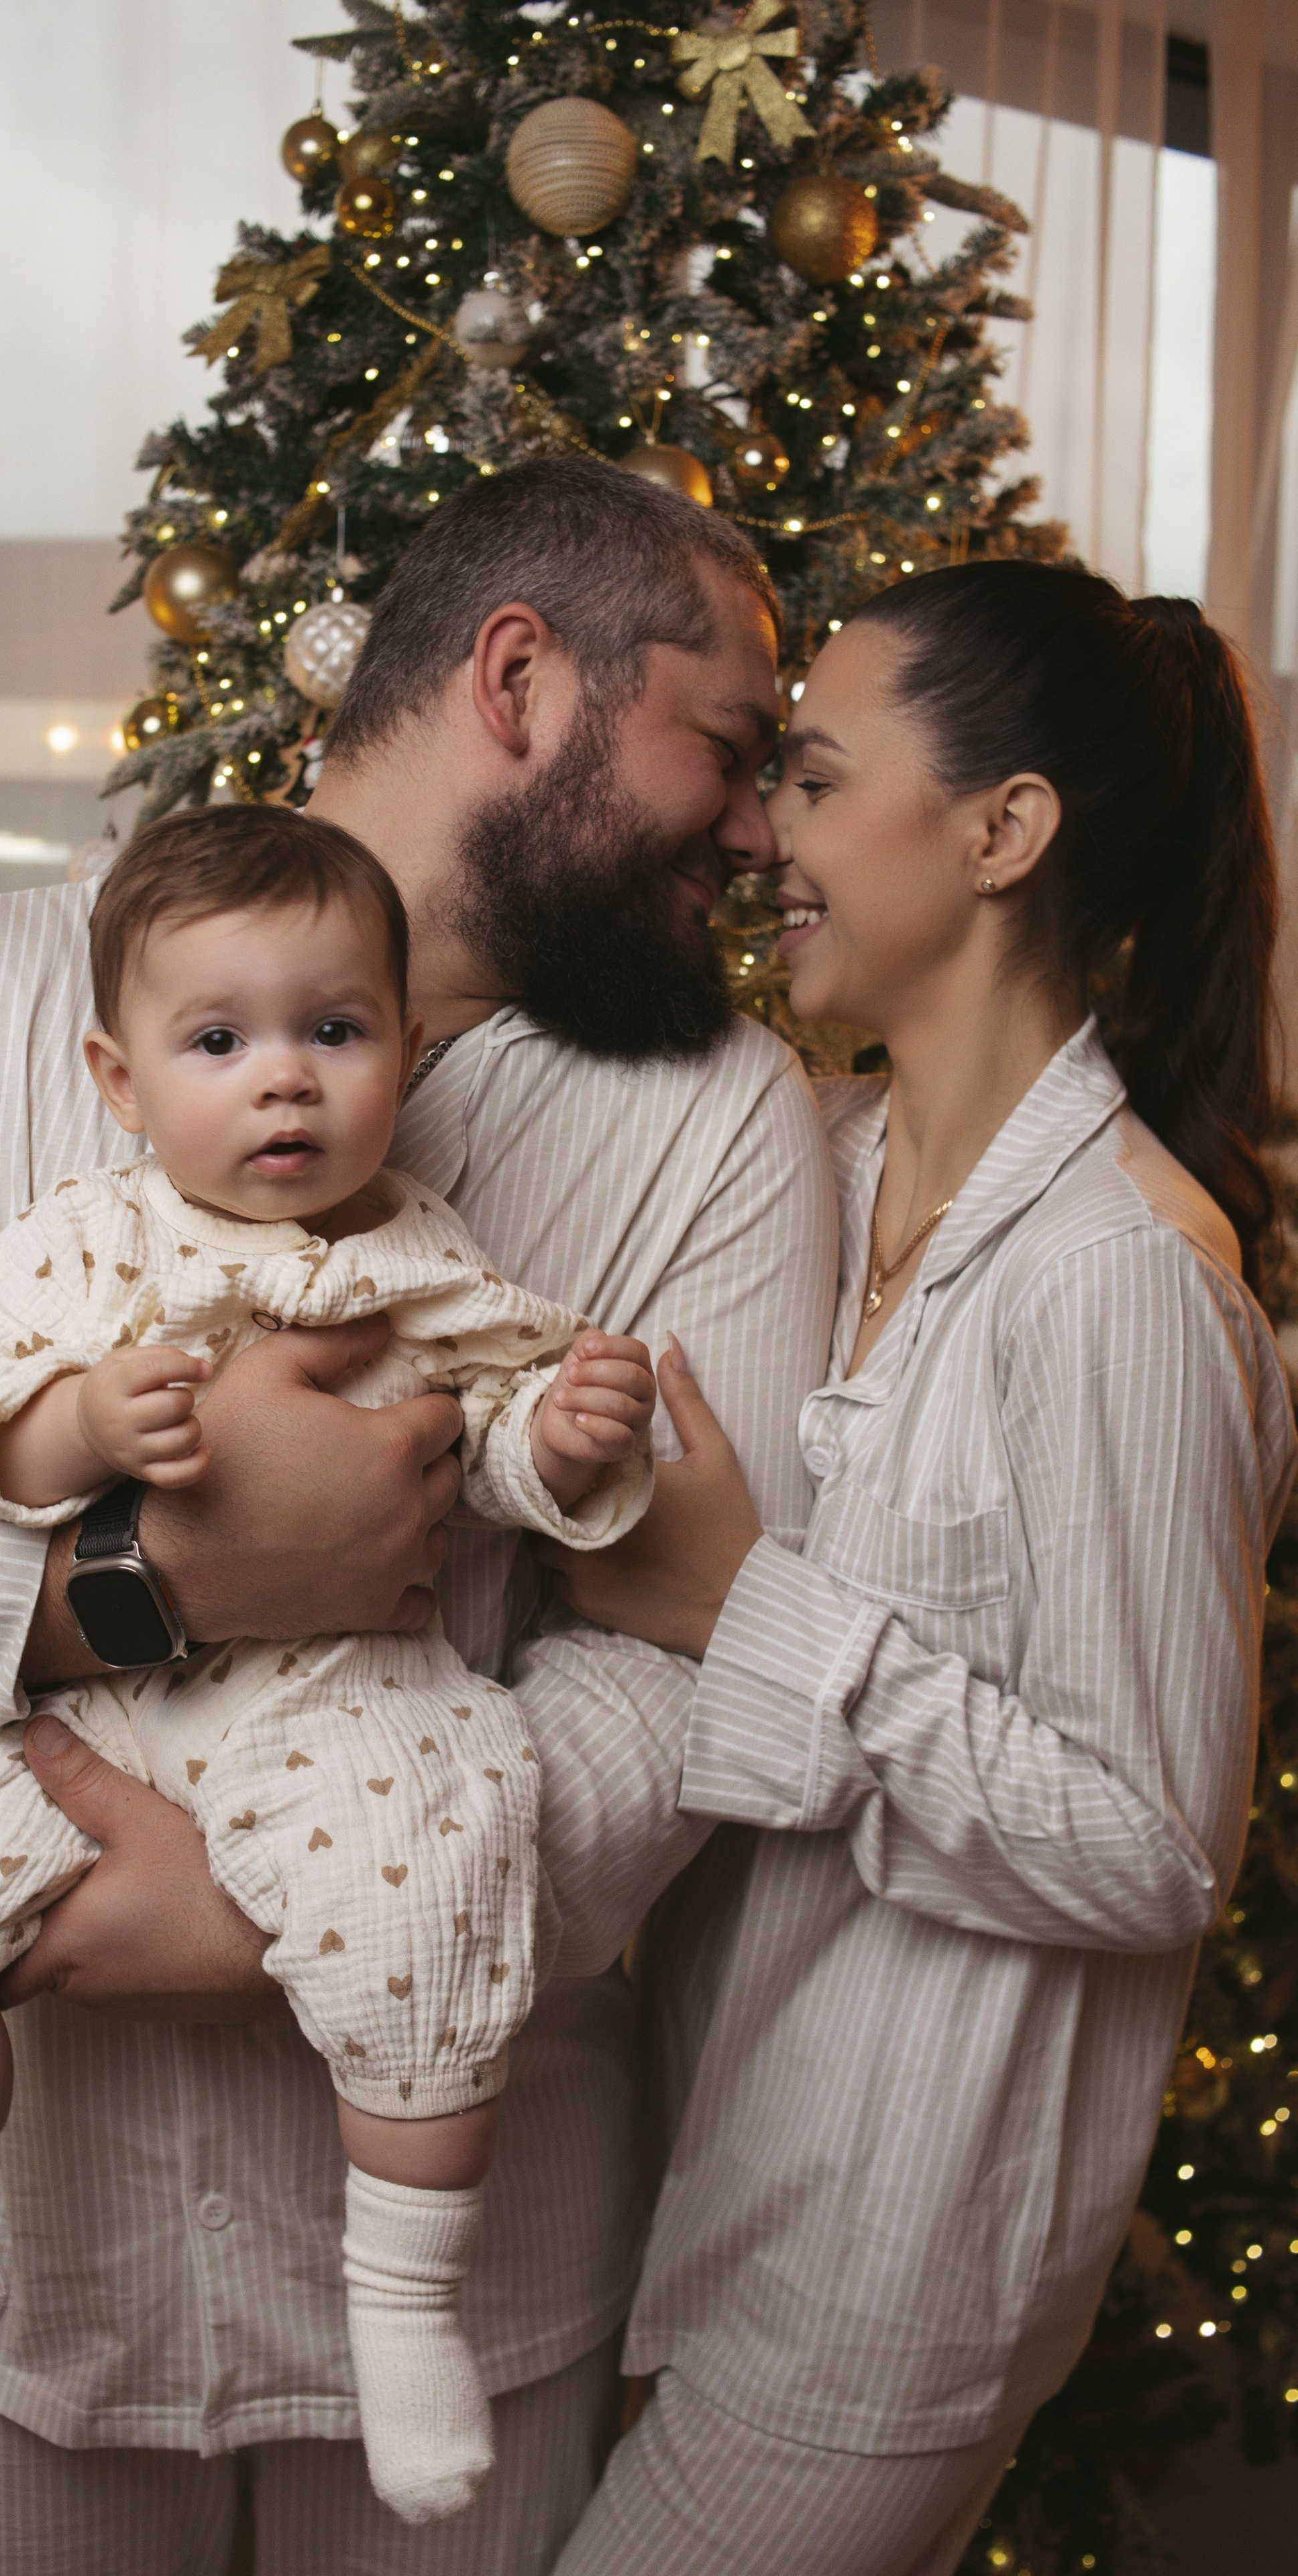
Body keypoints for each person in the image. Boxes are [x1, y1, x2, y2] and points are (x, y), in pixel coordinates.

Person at [0, 456, 836, 2573]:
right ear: (519, 679)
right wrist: (141, 1585)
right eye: (730, 748)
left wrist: (283, 1913)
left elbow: (697, 1662)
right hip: (29, 2278)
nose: (761, 831)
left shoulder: (726, 1122)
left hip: (474, 2290)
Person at [0, 803, 659, 2526]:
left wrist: (562, 1435)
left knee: (422, 1901)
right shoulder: (83, 1242)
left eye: (334, 1034)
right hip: (105, 1708)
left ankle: (403, 2312)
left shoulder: (424, 1261)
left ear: (404, 1049)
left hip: (340, 1704)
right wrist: (75, 1419)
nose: (284, 1084)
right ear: (119, 1079)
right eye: (220, 1042)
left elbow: (482, 1455)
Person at [539, 562, 1297, 2576]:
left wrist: (748, 1615)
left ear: (1002, 829)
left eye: (810, 771)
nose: (757, 828)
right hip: (708, 2166)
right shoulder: (818, 1159)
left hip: (899, 2251)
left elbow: (1149, 1848)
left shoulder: (1127, 1280)